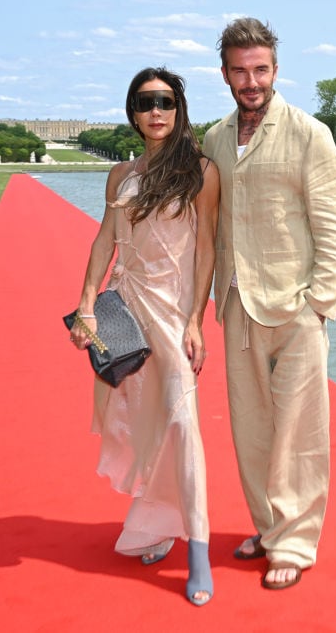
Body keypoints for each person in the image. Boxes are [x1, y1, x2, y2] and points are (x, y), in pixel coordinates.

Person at [202, 18, 336, 590]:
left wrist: (318, 306)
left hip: (295, 308)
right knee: (251, 431)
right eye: (240, 71)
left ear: (275, 69)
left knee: (299, 433)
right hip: (237, 305)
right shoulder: (214, 140)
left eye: (260, 69)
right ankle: (269, 530)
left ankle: (295, 543)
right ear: (224, 74)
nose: (252, 81)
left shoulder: (310, 134)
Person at [69, 67, 220, 606]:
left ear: (179, 108)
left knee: (182, 423)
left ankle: (198, 549)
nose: (156, 111)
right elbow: (104, 240)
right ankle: (157, 525)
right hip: (125, 310)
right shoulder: (120, 175)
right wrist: (87, 305)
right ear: (132, 112)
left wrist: (196, 320)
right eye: (145, 101)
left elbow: (206, 249)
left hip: (173, 314)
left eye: (166, 101)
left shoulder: (201, 171)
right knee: (146, 423)